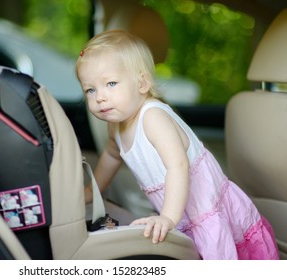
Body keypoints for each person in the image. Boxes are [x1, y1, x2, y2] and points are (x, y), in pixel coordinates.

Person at [75, 29, 279, 260]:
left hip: (204, 212)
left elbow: (178, 166)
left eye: (111, 84)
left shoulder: (152, 117)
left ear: (142, 83)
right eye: (90, 90)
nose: (100, 97)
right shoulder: (116, 126)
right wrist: (92, 191)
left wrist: (168, 218)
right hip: (181, 214)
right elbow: (112, 156)